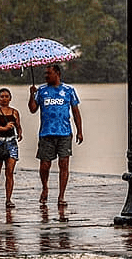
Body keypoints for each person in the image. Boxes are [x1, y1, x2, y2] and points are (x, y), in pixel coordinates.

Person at [28, 64, 83, 206]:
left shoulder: (69, 90)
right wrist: (32, 95)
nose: (46, 76)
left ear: (57, 73)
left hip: (64, 133)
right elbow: (33, 109)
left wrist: (80, 131)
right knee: (44, 165)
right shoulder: (41, 90)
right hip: (46, 133)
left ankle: (61, 195)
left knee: (64, 164)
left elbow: (76, 111)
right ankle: (45, 187)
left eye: (49, 73)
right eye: (45, 74)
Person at [0, 87, 23, 208]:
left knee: (10, 172)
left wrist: (20, 133)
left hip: (11, 143)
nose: (4, 99)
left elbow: (18, 126)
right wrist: (4, 128)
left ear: (10, 98)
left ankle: (8, 198)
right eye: (2, 97)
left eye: (7, 96)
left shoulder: (14, 112)